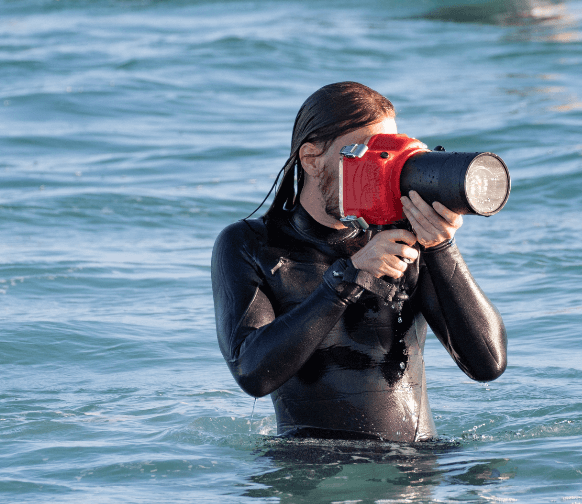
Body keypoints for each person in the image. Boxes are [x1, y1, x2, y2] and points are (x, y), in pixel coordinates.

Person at [210, 82, 506, 443]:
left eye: (389, 152)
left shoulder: (408, 240)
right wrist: (348, 278)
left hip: (413, 473)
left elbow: (487, 364)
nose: (380, 168)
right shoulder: (251, 244)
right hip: (311, 470)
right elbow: (252, 373)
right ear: (311, 158)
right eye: (365, 153)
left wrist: (441, 247)